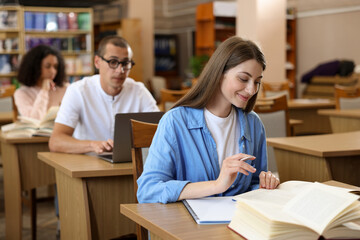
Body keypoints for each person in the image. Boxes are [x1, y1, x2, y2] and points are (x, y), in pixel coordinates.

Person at [137, 36, 280, 204]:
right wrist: (217, 185)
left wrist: (265, 185)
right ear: (219, 73)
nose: (251, 90)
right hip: (186, 226)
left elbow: (254, 182)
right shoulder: (175, 121)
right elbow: (148, 191)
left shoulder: (253, 124)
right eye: (243, 79)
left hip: (237, 222)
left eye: (257, 82)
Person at [49, 36, 159, 154]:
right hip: (88, 163)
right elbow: (56, 142)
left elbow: (161, 131)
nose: (119, 70)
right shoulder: (78, 91)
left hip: (127, 165)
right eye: (113, 62)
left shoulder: (139, 91)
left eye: (125, 63)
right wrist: (93, 145)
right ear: (97, 62)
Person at [14, 45, 67, 120]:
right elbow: (35, 120)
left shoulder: (65, 89)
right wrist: (44, 90)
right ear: (35, 67)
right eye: (47, 66)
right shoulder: (21, 93)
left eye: (55, 67)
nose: (53, 71)